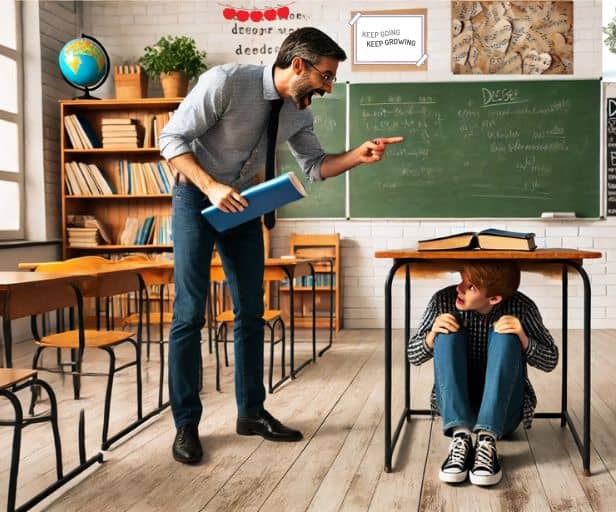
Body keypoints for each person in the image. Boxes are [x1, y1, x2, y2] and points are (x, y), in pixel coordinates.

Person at [159, 27, 403, 465]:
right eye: (325, 77)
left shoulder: (297, 113)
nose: (328, 88)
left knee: (251, 310)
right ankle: (186, 425)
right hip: (197, 194)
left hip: (244, 204)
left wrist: (358, 155)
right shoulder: (226, 83)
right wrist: (212, 187)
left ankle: (250, 412)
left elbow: (316, 166)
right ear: (298, 66)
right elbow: (171, 140)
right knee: (189, 313)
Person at [408, 261, 557, 486]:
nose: (459, 288)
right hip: (456, 407)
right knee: (446, 331)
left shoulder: (522, 307)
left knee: (507, 334)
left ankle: (487, 440)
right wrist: (431, 336)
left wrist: (524, 339)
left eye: (471, 287)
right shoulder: (443, 301)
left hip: (504, 412)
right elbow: (412, 355)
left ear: (494, 298)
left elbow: (551, 360)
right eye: (462, 279)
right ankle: (461, 436)